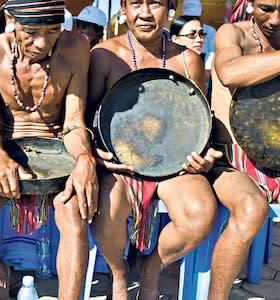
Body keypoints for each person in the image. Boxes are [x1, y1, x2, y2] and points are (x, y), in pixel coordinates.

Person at [0, 0, 97, 299]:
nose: (42, 42)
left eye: (52, 30)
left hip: (58, 148)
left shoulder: (76, 47)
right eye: (31, 31)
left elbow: (74, 121)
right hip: (4, 144)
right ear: (10, 18)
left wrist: (84, 158)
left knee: (75, 217)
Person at [87, 0, 223, 297]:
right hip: (122, 164)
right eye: (136, 3)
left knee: (200, 212)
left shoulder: (189, 61)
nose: (145, 13)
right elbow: (87, 118)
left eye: (156, 4)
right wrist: (96, 155)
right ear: (123, 9)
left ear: (170, 9)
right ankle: (119, 273)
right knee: (108, 207)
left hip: (174, 164)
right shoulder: (104, 55)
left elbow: (197, 120)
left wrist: (204, 155)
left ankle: (152, 269)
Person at [206, 0, 280, 296]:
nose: (276, 19)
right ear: (249, 4)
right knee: (251, 208)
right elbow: (230, 73)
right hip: (233, 162)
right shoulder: (231, 33)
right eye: (266, 9)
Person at [170, 15, 211, 94]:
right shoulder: (165, 63)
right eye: (192, 35)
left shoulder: (205, 61)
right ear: (175, 39)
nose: (199, 39)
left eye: (201, 34)